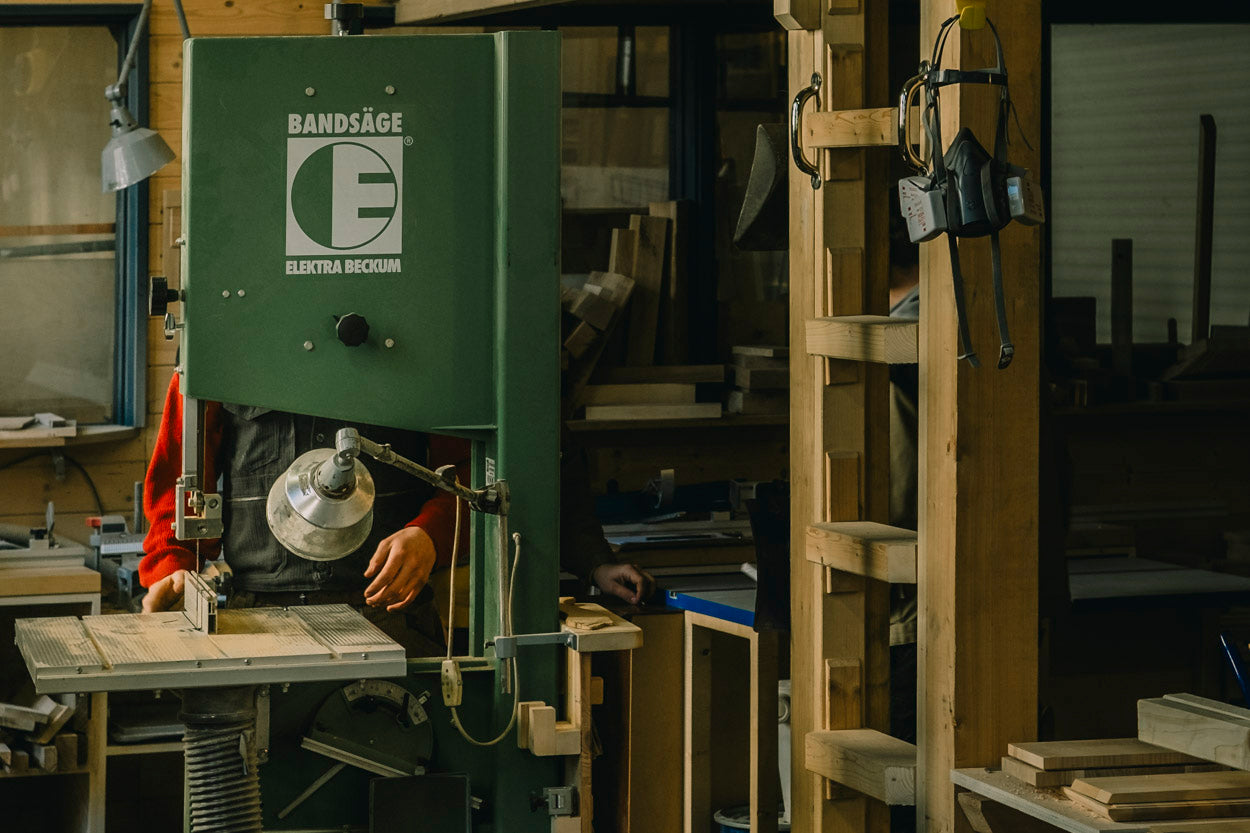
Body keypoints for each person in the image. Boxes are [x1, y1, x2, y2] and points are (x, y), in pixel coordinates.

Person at [140, 375, 654, 654]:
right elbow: (178, 481)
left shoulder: (422, 343)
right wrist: (172, 565)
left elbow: (480, 476)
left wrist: (430, 534)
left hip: (391, 622)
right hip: (256, 621)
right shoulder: (221, 343)